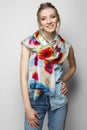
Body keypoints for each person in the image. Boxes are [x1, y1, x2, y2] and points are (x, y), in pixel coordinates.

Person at [20, 2, 76, 130]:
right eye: (44, 18)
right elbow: (23, 78)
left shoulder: (65, 46)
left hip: (58, 101)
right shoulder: (29, 44)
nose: (49, 21)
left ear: (58, 19)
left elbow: (73, 67)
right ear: (39, 22)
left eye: (52, 17)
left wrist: (62, 81)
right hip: (35, 101)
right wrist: (28, 107)